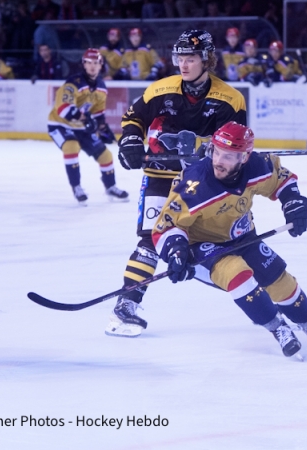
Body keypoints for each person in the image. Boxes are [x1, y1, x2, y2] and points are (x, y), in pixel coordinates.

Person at [151, 121, 307, 358]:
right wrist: (176, 252)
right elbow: (165, 227)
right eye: (216, 152)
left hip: (243, 237)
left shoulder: (257, 166)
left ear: (244, 158)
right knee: (238, 273)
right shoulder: (193, 186)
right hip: (203, 246)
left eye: (228, 156)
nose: (218, 161)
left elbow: (283, 180)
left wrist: (294, 204)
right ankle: (278, 329)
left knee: (278, 279)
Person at [111, 30, 247, 337]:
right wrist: (131, 141)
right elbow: (133, 117)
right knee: (151, 238)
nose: (183, 65)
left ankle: (257, 288)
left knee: (229, 239)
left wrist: (208, 150)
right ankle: (127, 303)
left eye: (191, 59)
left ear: (207, 60)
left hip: (199, 181)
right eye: (180, 59)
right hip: (159, 173)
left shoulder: (230, 100)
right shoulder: (162, 89)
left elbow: (234, 142)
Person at [47, 49, 129, 205]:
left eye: (96, 63)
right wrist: (84, 117)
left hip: (80, 127)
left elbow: (98, 112)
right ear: (83, 64)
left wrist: (103, 127)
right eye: (89, 63)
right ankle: (76, 187)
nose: (92, 66)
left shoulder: (102, 87)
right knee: (71, 146)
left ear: (101, 65)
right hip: (59, 125)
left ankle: (110, 187)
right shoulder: (73, 83)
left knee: (106, 155)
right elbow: (63, 108)